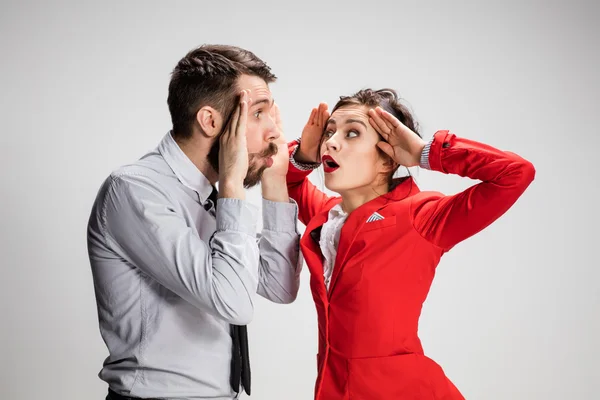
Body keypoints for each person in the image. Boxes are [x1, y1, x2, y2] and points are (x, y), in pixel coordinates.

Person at [286, 88, 536, 399]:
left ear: (388, 158)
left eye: (352, 133)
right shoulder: (327, 215)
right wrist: (304, 154)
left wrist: (424, 153)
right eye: (330, 132)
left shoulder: (422, 216)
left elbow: (515, 174)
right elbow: (287, 179)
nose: (331, 142)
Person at [87, 44, 301, 400]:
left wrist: (275, 182)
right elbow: (234, 303)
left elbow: (279, 286)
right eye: (259, 113)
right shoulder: (136, 191)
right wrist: (232, 185)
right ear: (211, 121)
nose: (275, 132)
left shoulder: (209, 194)